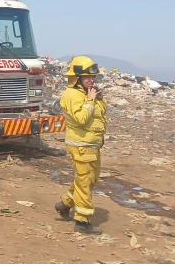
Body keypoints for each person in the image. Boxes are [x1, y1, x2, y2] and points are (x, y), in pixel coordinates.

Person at [54, 56, 108, 234]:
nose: (91, 80)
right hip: (81, 146)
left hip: (92, 145)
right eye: (87, 77)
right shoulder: (72, 94)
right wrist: (91, 100)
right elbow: (82, 118)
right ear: (77, 78)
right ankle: (82, 222)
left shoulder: (87, 93)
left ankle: (65, 203)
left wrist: (97, 98)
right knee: (84, 182)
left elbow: (99, 114)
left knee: (89, 179)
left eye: (93, 77)